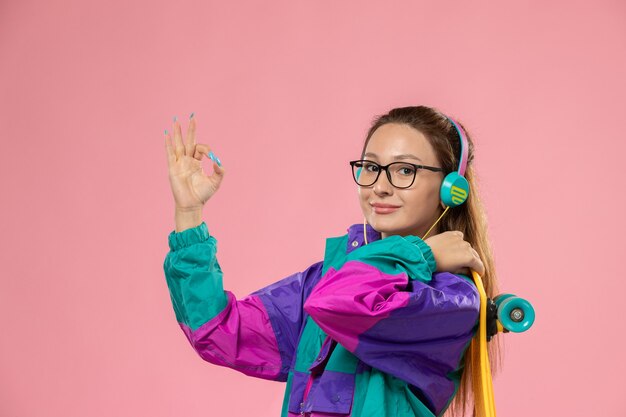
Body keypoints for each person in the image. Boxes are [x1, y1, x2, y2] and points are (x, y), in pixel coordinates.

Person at [162, 105, 503, 417]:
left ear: (450, 188)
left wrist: (420, 254)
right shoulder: (334, 275)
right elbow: (218, 331)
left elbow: (341, 304)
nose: (380, 187)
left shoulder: (451, 299)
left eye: (404, 170)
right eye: (371, 167)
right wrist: (189, 213)